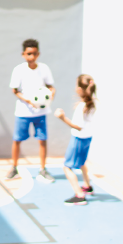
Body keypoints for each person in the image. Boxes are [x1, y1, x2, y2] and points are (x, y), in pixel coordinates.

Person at [7, 39, 56, 183]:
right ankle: (14, 168)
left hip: (40, 113)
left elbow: (51, 87)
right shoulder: (18, 70)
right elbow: (14, 90)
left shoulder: (44, 69)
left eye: (34, 54)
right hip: (23, 112)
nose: (31, 57)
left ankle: (42, 169)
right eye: (28, 54)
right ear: (23, 54)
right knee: (17, 140)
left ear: (38, 54)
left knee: (42, 140)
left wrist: (50, 95)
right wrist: (28, 100)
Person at [54, 74, 97, 206]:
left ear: (79, 89)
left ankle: (79, 195)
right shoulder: (91, 104)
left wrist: (62, 117)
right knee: (82, 162)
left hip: (78, 139)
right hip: (87, 138)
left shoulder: (82, 106)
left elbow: (78, 127)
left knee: (67, 167)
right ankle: (87, 186)